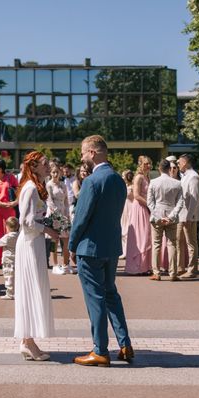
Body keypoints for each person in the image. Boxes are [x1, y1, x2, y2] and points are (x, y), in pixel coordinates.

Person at [70, 135, 132, 367]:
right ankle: (125, 344)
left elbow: (81, 217)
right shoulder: (118, 180)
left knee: (95, 299)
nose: (82, 157)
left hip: (90, 248)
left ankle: (100, 350)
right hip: (111, 246)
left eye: (84, 153)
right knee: (111, 295)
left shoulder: (92, 181)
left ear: (93, 152)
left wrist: (72, 245)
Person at [14, 151, 59, 361]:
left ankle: (27, 340)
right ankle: (28, 341)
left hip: (35, 243)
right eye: (44, 163)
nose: (48, 166)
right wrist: (48, 230)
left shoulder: (34, 188)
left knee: (33, 288)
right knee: (31, 289)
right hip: (31, 244)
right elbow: (27, 222)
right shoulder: (30, 188)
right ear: (33, 167)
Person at [147, 159, 184, 281]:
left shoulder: (153, 182)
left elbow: (150, 202)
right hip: (171, 217)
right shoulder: (177, 183)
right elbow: (180, 202)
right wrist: (172, 216)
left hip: (157, 216)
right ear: (169, 169)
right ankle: (173, 273)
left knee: (156, 244)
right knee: (172, 244)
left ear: (159, 169)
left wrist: (158, 216)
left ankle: (156, 273)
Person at [124, 156, 152, 275]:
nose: (149, 166)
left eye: (150, 163)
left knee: (146, 236)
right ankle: (136, 267)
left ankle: (145, 266)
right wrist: (150, 205)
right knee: (141, 236)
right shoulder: (138, 178)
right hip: (139, 208)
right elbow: (136, 195)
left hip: (146, 209)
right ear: (140, 165)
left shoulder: (147, 177)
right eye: (146, 164)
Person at [0, 159, 19, 267]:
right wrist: (0, 203)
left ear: (3, 167)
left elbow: (19, 191)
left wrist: (14, 203)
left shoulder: (11, 177)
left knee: (10, 233)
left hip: (10, 208)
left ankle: (11, 259)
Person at [177, 154, 199, 278]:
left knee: (191, 243)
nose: (178, 164)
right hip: (182, 215)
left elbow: (194, 198)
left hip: (188, 216)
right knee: (179, 241)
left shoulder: (193, 177)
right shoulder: (185, 176)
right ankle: (181, 267)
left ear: (186, 162)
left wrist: (189, 216)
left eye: (179, 162)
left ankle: (192, 270)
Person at [46, 164, 72, 274]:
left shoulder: (63, 184)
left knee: (66, 239)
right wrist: (58, 215)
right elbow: (50, 202)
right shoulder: (49, 185)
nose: (55, 174)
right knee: (54, 240)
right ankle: (55, 265)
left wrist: (67, 214)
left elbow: (66, 200)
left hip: (64, 213)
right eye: (53, 172)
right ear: (50, 173)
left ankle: (65, 264)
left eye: (57, 172)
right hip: (54, 215)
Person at [0, 216, 19, 300]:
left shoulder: (7, 237)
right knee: (17, 277)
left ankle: (10, 293)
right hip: (17, 259)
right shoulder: (19, 235)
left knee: (8, 276)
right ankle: (17, 292)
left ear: (7, 227)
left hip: (8, 260)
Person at [120, 170, 135, 259]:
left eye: (123, 176)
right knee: (123, 229)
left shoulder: (132, 187)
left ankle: (128, 251)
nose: (122, 177)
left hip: (130, 208)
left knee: (128, 230)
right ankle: (124, 251)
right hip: (124, 208)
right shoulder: (124, 186)